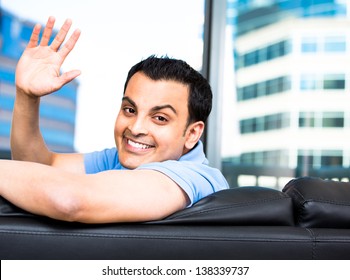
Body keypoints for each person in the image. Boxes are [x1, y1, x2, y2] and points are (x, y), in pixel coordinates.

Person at [0, 16, 229, 223]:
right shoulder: (123, 160)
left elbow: (70, 200)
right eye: (130, 110)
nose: (136, 128)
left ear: (192, 134)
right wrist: (27, 96)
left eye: (159, 118)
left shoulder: (195, 177)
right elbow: (39, 166)